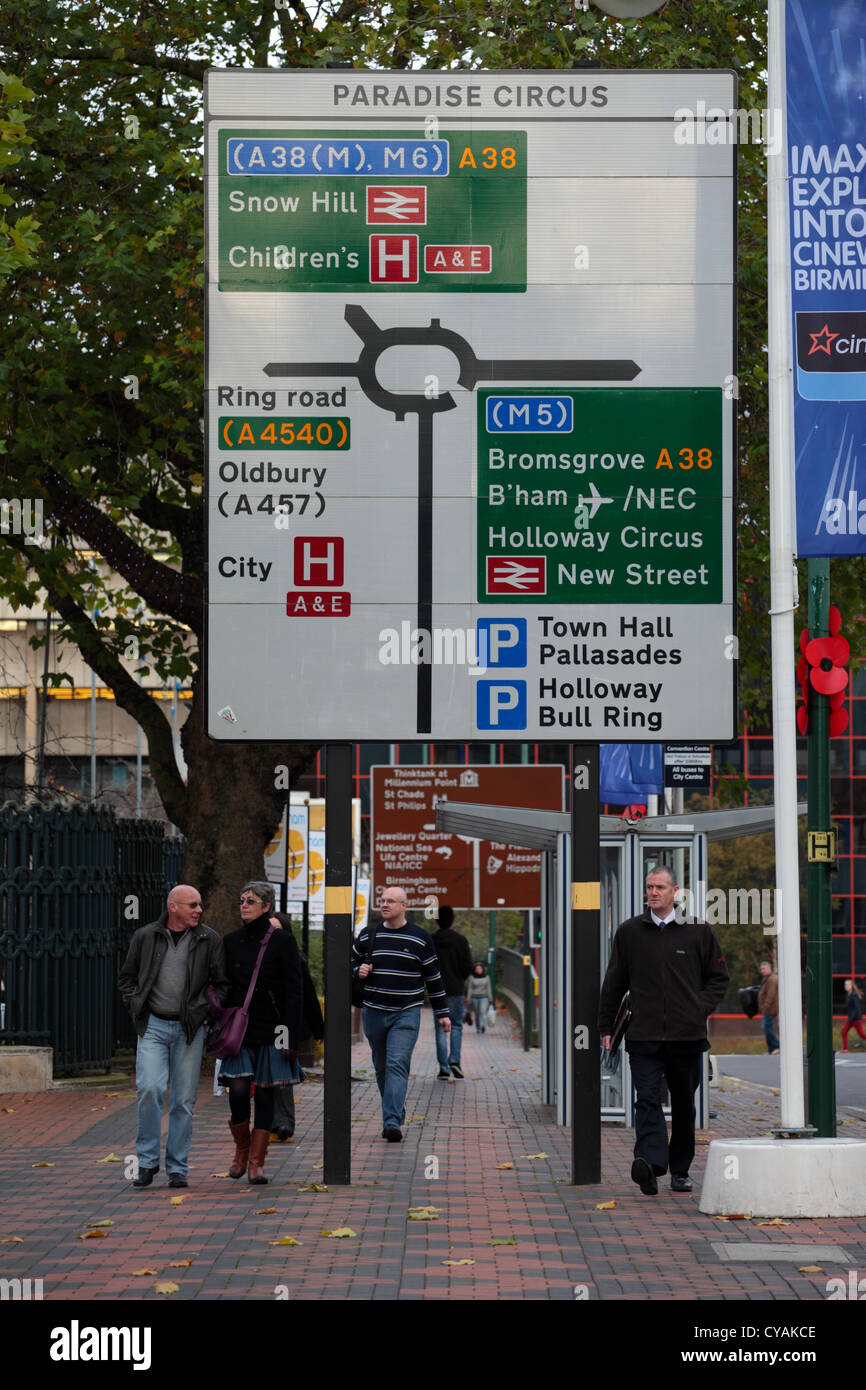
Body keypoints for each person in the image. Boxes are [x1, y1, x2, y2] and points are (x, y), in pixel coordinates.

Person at [598, 866, 729, 1196]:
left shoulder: (698, 931)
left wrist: (698, 1009)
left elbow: (718, 979)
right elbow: (614, 983)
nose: (653, 892)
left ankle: (680, 1170)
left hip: (687, 1037)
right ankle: (651, 1163)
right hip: (643, 1034)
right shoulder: (629, 932)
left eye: (659, 887)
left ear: (675, 892)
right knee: (647, 1100)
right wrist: (606, 1027)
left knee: (684, 1105)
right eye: (649, 887)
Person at [118, 884, 227, 1189]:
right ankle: (147, 1162)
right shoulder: (145, 936)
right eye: (192, 905)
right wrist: (134, 1003)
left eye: (200, 904)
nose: (199, 910)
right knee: (149, 1089)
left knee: (184, 1100)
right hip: (152, 1024)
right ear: (173, 907)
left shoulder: (209, 939)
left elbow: (222, 983)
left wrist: (203, 1012)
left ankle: (178, 1167)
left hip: (189, 1029)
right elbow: (126, 977)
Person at [220, 882, 303, 1184]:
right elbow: (223, 984)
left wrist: (290, 1035)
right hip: (240, 1029)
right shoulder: (230, 941)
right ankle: (241, 1150)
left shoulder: (281, 941)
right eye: (242, 900)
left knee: (266, 1093)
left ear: (266, 906)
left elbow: (294, 991)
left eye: (251, 901)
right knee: (239, 1089)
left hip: (273, 1027)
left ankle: (257, 1162)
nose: (244, 905)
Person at [353, 886, 450, 1140]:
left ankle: (392, 1122)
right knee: (382, 1067)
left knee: (397, 1064)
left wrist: (443, 1013)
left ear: (404, 906)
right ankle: (394, 1110)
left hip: (406, 1012)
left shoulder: (420, 938)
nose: (385, 905)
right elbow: (350, 961)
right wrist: (358, 970)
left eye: (391, 901)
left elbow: (433, 977)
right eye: (383, 900)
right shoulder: (368, 935)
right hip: (373, 1010)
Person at [270, 913, 324, 1142]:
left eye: (277, 929)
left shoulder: (295, 960)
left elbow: (308, 995)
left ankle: (282, 1123)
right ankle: (271, 1122)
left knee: (280, 1073)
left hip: (284, 1026)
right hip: (260, 1025)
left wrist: (318, 1028)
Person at [432, 904, 474, 1078]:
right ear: (453, 920)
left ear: (436, 920)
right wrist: (460, 979)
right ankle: (455, 1060)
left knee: (440, 1028)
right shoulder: (461, 940)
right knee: (456, 1025)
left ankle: (443, 1068)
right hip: (455, 989)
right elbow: (468, 966)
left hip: (437, 990)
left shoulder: (431, 939)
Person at [758, 960, 780, 1054]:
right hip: (768, 1008)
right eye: (761, 969)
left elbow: (771, 994)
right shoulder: (767, 978)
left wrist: (765, 1006)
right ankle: (771, 1049)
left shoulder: (772, 979)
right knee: (766, 1027)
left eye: (764, 968)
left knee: (767, 1027)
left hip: (770, 1008)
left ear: (769, 968)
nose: (762, 970)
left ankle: (777, 1046)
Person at [842, 978, 865, 1052]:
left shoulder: (853, 995)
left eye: (848, 984)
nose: (846, 986)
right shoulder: (848, 994)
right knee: (844, 1031)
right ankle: (845, 1049)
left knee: (861, 1034)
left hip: (856, 1018)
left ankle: (845, 1049)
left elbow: (856, 1008)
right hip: (851, 1018)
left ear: (851, 986)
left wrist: (851, 1018)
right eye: (845, 984)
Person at [467, 962, 491, 1033]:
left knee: (483, 1012)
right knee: (477, 1014)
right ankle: (478, 1027)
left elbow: (488, 988)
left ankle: (483, 1026)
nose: (478, 970)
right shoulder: (472, 977)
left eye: (480, 968)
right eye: (477, 969)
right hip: (474, 997)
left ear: (482, 969)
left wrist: (490, 999)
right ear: (474, 970)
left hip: (484, 997)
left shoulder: (487, 977)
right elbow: (470, 988)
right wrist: (468, 998)